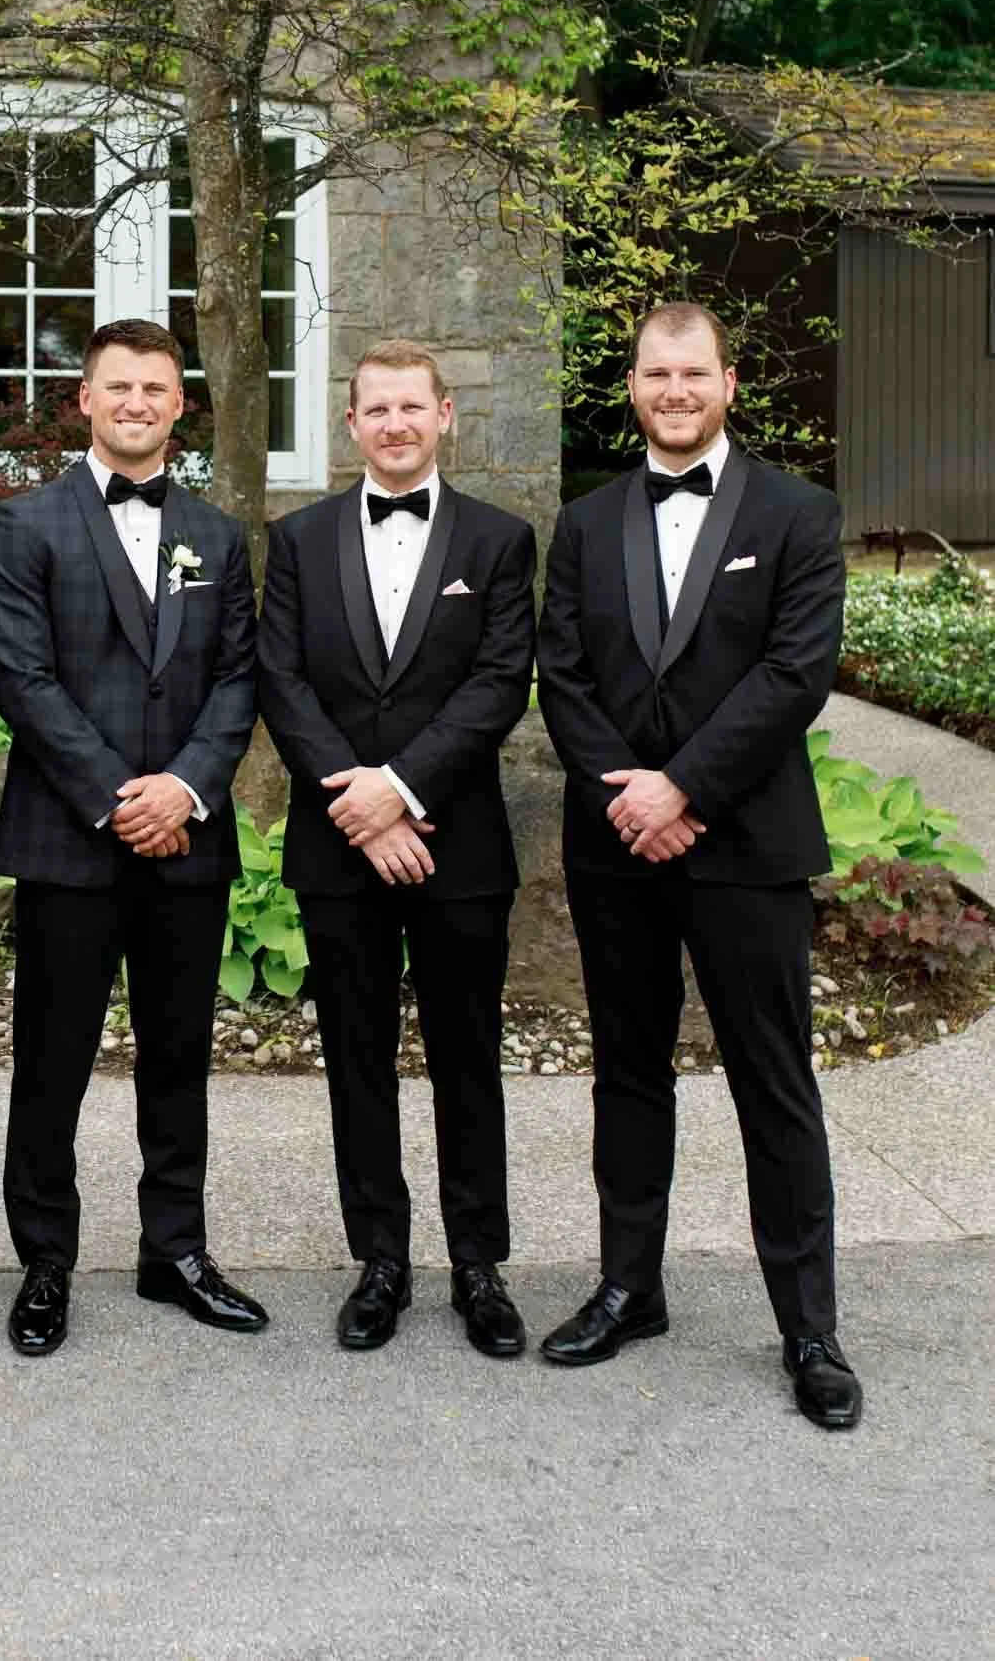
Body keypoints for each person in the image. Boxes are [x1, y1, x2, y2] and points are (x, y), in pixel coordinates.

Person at [535, 300, 861, 1429]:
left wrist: (685, 787)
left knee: (773, 1083)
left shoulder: (797, 511)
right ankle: (629, 1285)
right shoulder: (583, 521)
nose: (671, 391)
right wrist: (631, 794)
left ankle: (808, 1328)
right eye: (652, 373)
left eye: (691, 373)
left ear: (727, 383)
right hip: (617, 840)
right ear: (628, 386)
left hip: (745, 839)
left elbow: (792, 673)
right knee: (626, 1071)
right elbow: (561, 673)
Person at [0, 318, 263, 1355]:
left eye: (155, 386)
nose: (137, 402)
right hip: (69, 836)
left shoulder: (218, 534)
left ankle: (173, 1250)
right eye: (119, 386)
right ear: (86, 400)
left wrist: (184, 789)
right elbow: (21, 677)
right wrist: (115, 796)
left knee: (178, 1057)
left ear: (178, 402)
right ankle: (44, 1259)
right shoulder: (25, 526)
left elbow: (238, 675)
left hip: (185, 839)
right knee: (50, 1059)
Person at [258, 340, 536, 1355]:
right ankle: (378, 1258)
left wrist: (403, 790)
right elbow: (279, 681)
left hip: (455, 843)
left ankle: (478, 1265)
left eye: (409, 407)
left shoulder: (500, 541)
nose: (393, 424)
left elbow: (499, 680)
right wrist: (359, 807)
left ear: (444, 413)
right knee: (355, 1061)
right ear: (351, 424)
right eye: (374, 409)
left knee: (468, 1061)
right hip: (339, 850)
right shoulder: (296, 539)